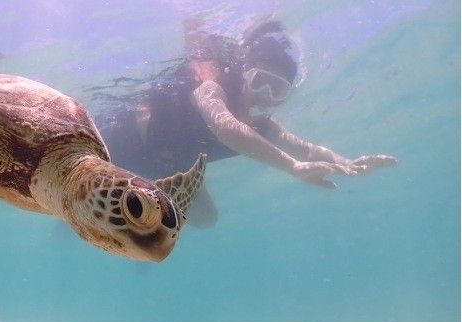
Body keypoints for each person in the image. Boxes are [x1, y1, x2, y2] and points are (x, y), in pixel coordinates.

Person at [100, 18, 398, 229]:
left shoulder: (261, 126)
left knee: (207, 219)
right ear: (243, 73)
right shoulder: (210, 86)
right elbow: (226, 128)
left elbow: (306, 149)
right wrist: (292, 167)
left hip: (168, 166)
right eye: (259, 81)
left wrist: (348, 163)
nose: (264, 95)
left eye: (276, 90)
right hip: (124, 143)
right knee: (79, 180)